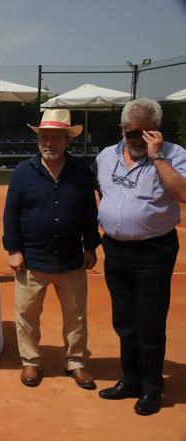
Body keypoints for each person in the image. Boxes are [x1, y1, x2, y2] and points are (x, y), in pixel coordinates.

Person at [95, 98, 186, 415]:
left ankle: (151, 387)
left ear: (158, 132)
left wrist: (157, 156)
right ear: (122, 129)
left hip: (154, 251)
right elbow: (102, 192)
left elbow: (183, 193)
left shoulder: (174, 155)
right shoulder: (106, 156)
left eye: (150, 133)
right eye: (134, 133)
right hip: (116, 249)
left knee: (149, 322)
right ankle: (130, 379)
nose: (141, 140)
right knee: (124, 321)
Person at [2, 109, 100, 389]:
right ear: (38, 140)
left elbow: (88, 211)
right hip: (32, 258)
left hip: (71, 259)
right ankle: (31, 362)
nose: (49, 143)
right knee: (27, 316)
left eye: (56, 137)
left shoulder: (81, 171)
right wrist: (13, 249)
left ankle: (76, 362)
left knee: (76, 316)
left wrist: (91, 245)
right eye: (44, 137)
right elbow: (11, 215)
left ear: (67, 140)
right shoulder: (23, 172)